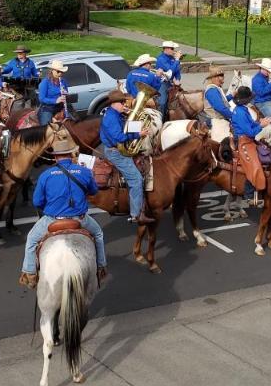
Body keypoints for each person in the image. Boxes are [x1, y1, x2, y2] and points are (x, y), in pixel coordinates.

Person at [19, 136, 108, 289]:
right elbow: (93, 191)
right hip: (80, 220)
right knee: (98, 235)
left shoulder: (46, 175)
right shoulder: (84, 171)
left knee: (32, 239)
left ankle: (30, 273)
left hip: (53, 220)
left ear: (55, 157)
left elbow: (37, 202)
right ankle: (101, 268)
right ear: (71, 154)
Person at [99, 90, 155, 225]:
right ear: (114, 103)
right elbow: (120, 137)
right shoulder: (111, 118)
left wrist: (134, 119)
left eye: (124, 102)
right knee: (136, 179)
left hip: (117, 149)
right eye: (122, 102)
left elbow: (125, 128)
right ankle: (136, 215)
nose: (125, 104)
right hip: (115, 152)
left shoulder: (115, 114)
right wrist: (138, 134)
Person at [37, 60, 70, 125]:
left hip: (61, 107)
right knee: (46, 127)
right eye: (58, 71)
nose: (60, 73)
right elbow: (41, 99)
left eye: (62, 72)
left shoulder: (63, 81)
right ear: (52, 70)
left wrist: (66, 94)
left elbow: (66, 93)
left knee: (74, 123)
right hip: (48, 108)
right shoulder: (45, 82)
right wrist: (55, 100)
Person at [154, 41, 182, 116]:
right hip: (162, 83)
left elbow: (177, 71)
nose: (174, 51)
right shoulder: (161, 59)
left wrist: (177, 79)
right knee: (162, 102)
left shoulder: (172, 58)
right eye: (172, 49)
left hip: (171, 82)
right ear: (166, 49)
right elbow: (170, 70)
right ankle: (161, 118)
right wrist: (177, 60)